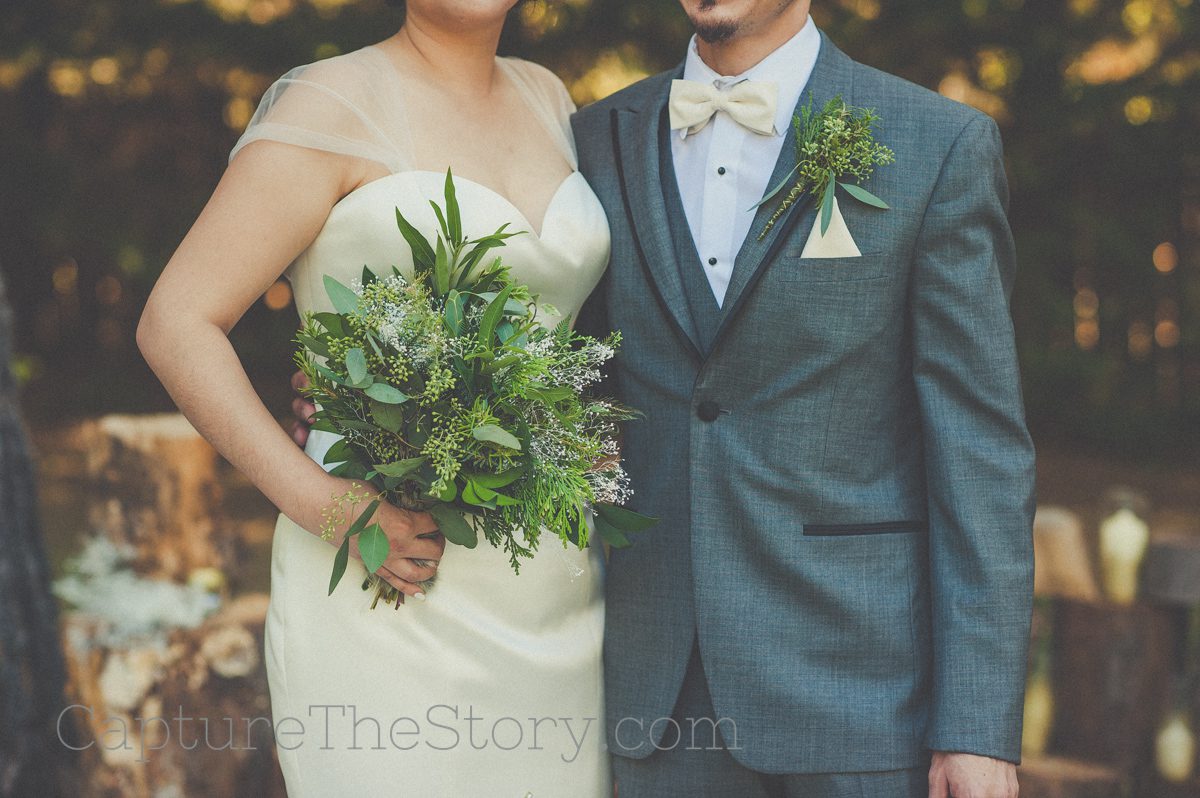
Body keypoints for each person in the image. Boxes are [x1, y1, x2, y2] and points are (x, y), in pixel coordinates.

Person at [291, 2, 1036, 796]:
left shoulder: (936, 144)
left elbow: (980, 453)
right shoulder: (594, 138)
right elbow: (548, 350)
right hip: (656, 699)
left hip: (863, 701)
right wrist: (373, 400)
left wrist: (977, 728)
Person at [138, 0, 613, 794]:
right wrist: (329, 508)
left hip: (552, 587)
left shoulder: (549, 97)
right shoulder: (331, 103)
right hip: (385, 577)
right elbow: (176, 323)